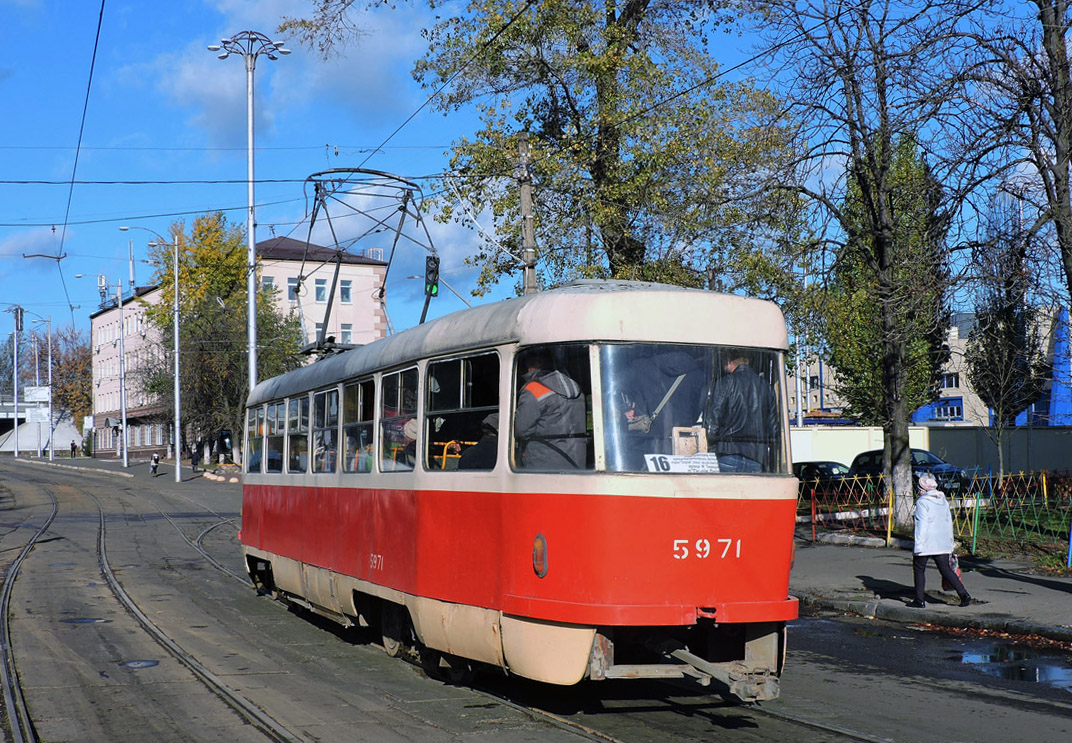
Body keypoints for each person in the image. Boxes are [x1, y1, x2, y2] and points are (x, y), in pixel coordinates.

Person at [704, 353, 779, 472]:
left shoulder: (725, 383)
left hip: (727, 452)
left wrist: (711, 451)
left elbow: (713, 422)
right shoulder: (766, 386)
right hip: (756, 457)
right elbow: (774, 429)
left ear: (729, 360)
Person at [514, 351, 587, 470]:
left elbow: (521, 431)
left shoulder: (533, 390)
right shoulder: (576, 387)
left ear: (533, 363)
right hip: (577, 462)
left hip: (542, 466)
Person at [908, 473, 971, 608]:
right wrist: (949, 541)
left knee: (919, 569)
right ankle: (964, 594)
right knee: (946, 569)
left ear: (923, 490)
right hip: (941, 541)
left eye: (919, 489)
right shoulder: (943, 501)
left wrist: (918, 545)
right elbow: (948, 522)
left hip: (926, 542)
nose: (918, 491)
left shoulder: (922, 502)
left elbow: (921, 525)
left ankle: (919, 600)